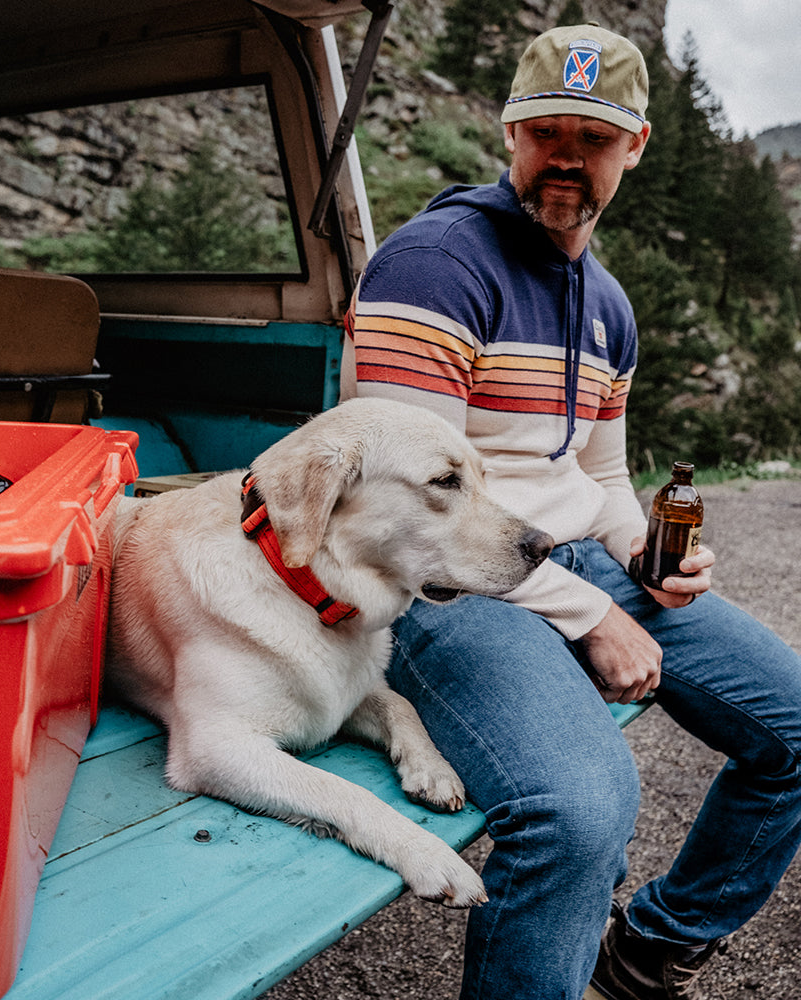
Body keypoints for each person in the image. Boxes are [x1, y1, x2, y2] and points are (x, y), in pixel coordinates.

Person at [339, 22, 801, 1000]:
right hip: (436, 588)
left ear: (634, 147)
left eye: (591, 139)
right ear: (509, 133)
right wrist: (592, 618)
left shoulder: (608, 306)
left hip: (552, 559)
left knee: (794, 725)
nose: (564, 157)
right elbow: (404, 515)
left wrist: (644, 554)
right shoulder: (436, 264)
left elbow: (597, 477)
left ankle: (648, 949)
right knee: (580, 805)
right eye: (544, 131)